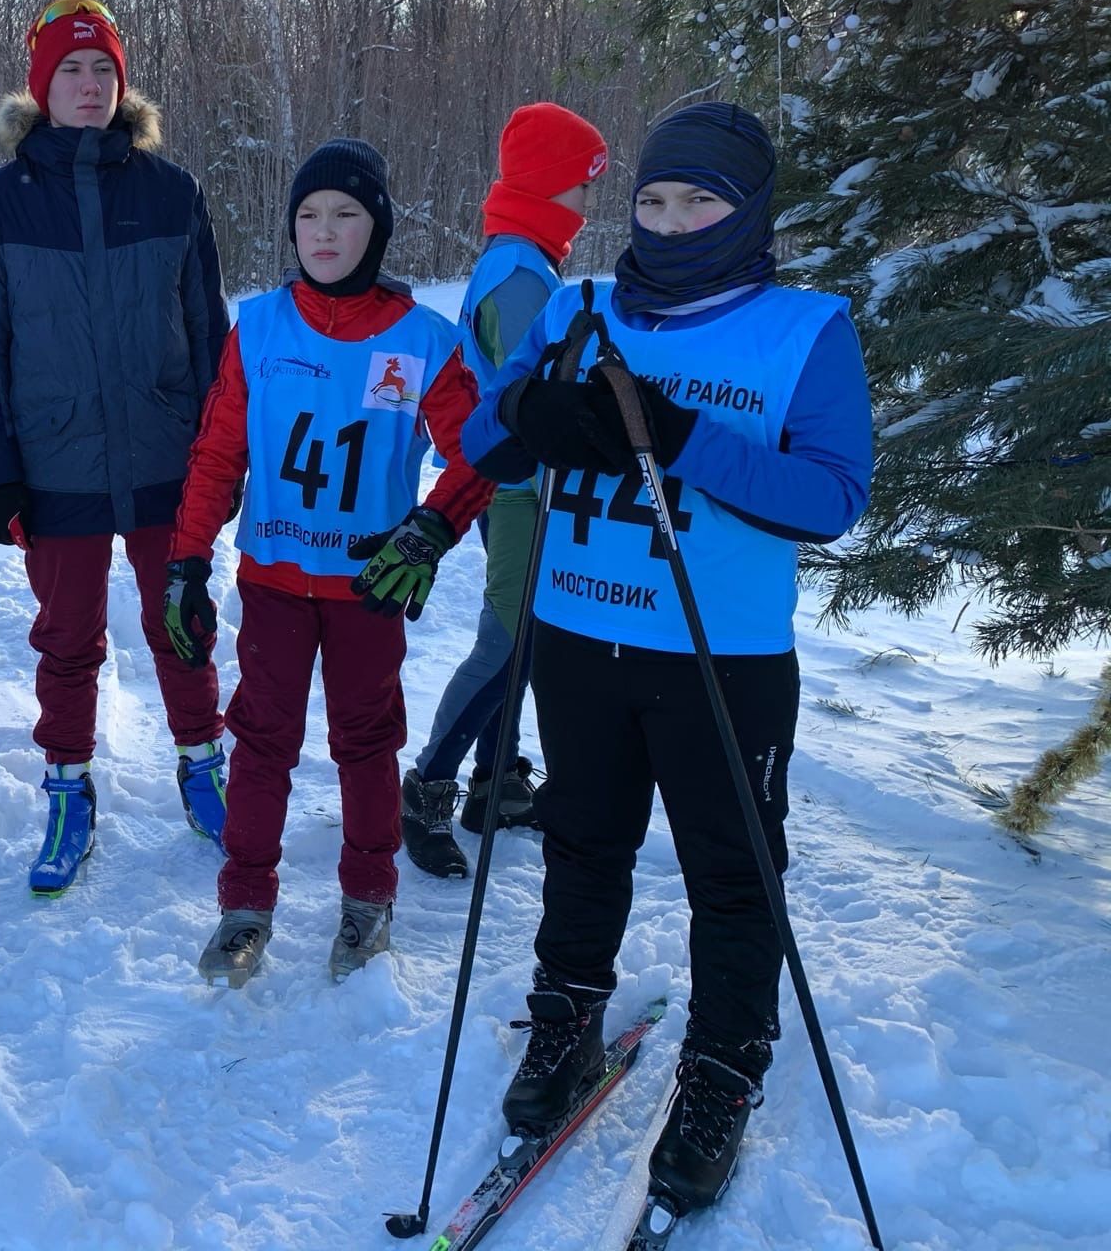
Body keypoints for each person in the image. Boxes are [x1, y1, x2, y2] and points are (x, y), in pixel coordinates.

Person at [463, 103, 872, 1213]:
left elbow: (834, 495)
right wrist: (530, 420)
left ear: (748, 213)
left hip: (719, 653)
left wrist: (689, 441)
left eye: (701, 200)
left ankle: (725, 1066)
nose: (674, 219)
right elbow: (478, 438)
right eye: (653, 198)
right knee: (581, 841)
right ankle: (565, 1021)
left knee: (732, 871)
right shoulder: (581, 304)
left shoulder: (802, 327)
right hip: (579, 634)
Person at [165, 138, 492, 985]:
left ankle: (367, 900)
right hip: (273, 584)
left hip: (366, 592)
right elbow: (216, 456)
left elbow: (480, 456)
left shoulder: (424, 341)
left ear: (376, 228)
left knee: (366, 744)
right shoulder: (261, 326)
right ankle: (244, 909)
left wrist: (428, 530)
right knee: (262, 743)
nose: (324, 230)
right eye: (308, 214)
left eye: (346, 214)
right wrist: (187, 561)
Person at [0, 0, 230, 894]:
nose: (89, 85)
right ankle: (68, 788)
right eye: (71, 70)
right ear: (42, 86)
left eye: (103, 70)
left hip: (165, 454)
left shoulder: (173, 192)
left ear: (123, 83)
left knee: (181, 622)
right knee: (68, 637)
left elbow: (207, 332)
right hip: (54, 459)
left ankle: (203, 768)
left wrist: (223, 456)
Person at [401, 104, 609, 878]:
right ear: (553, 185)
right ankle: (426, 786)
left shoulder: (522, 258)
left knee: (525, 637)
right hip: (519, 485)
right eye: (584, 185)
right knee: (510, 637)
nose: (591, 204)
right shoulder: (520, 273)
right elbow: (533, 392)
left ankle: (498, 780)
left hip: (525, 481)